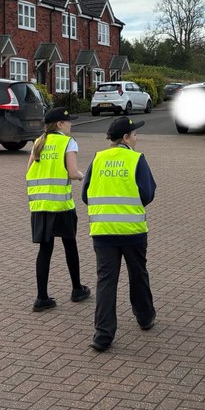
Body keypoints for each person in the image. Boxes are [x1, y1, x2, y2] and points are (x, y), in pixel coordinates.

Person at [81, 115, 156, 352]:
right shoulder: (136, 160)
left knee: (106, 281)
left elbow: (85, 195)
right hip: (132, 231)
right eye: (134, 134)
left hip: (103, 232)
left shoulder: (98, 159)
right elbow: (148, 193)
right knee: (138, 274)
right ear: (125, 138)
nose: (137, 138)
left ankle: (102, 335)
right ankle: (145, 318)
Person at [26, 106, 90, 312]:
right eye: (68, 121)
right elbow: (72, 172)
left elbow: (29, 171)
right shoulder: (67, 142)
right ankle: (77, 289)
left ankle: (41, 297)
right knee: (70, 246)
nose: (71, 124)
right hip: (61, 205)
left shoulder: (38, 142)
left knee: (45, 250)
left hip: (40, 205)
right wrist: (82, 176)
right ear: (60, 124)